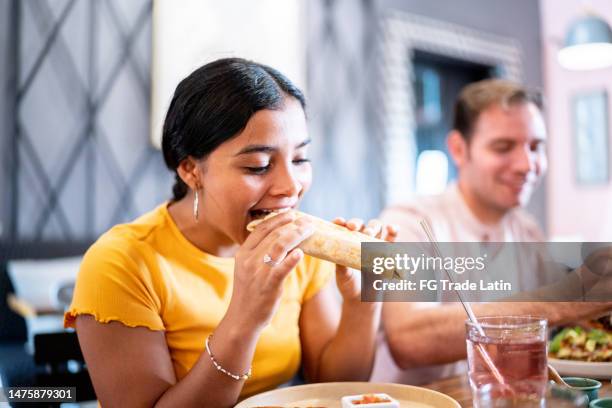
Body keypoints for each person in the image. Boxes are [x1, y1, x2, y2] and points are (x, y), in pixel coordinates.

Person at [64, 58, 396, 407]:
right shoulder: (121, 263)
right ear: (192, 171)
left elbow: (332, 387)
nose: (290, 187)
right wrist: (245, 318)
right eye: (259, 166)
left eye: (300, 159)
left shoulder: (300, 251)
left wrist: (361, 304)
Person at [371, 79, 612, 385]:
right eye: (503, 147)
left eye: (536, 147)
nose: (527, 164)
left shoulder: (528, 231)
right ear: (459, 149)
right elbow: (406, 341)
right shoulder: (401, 221)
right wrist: (570, 297)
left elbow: (573, 326)